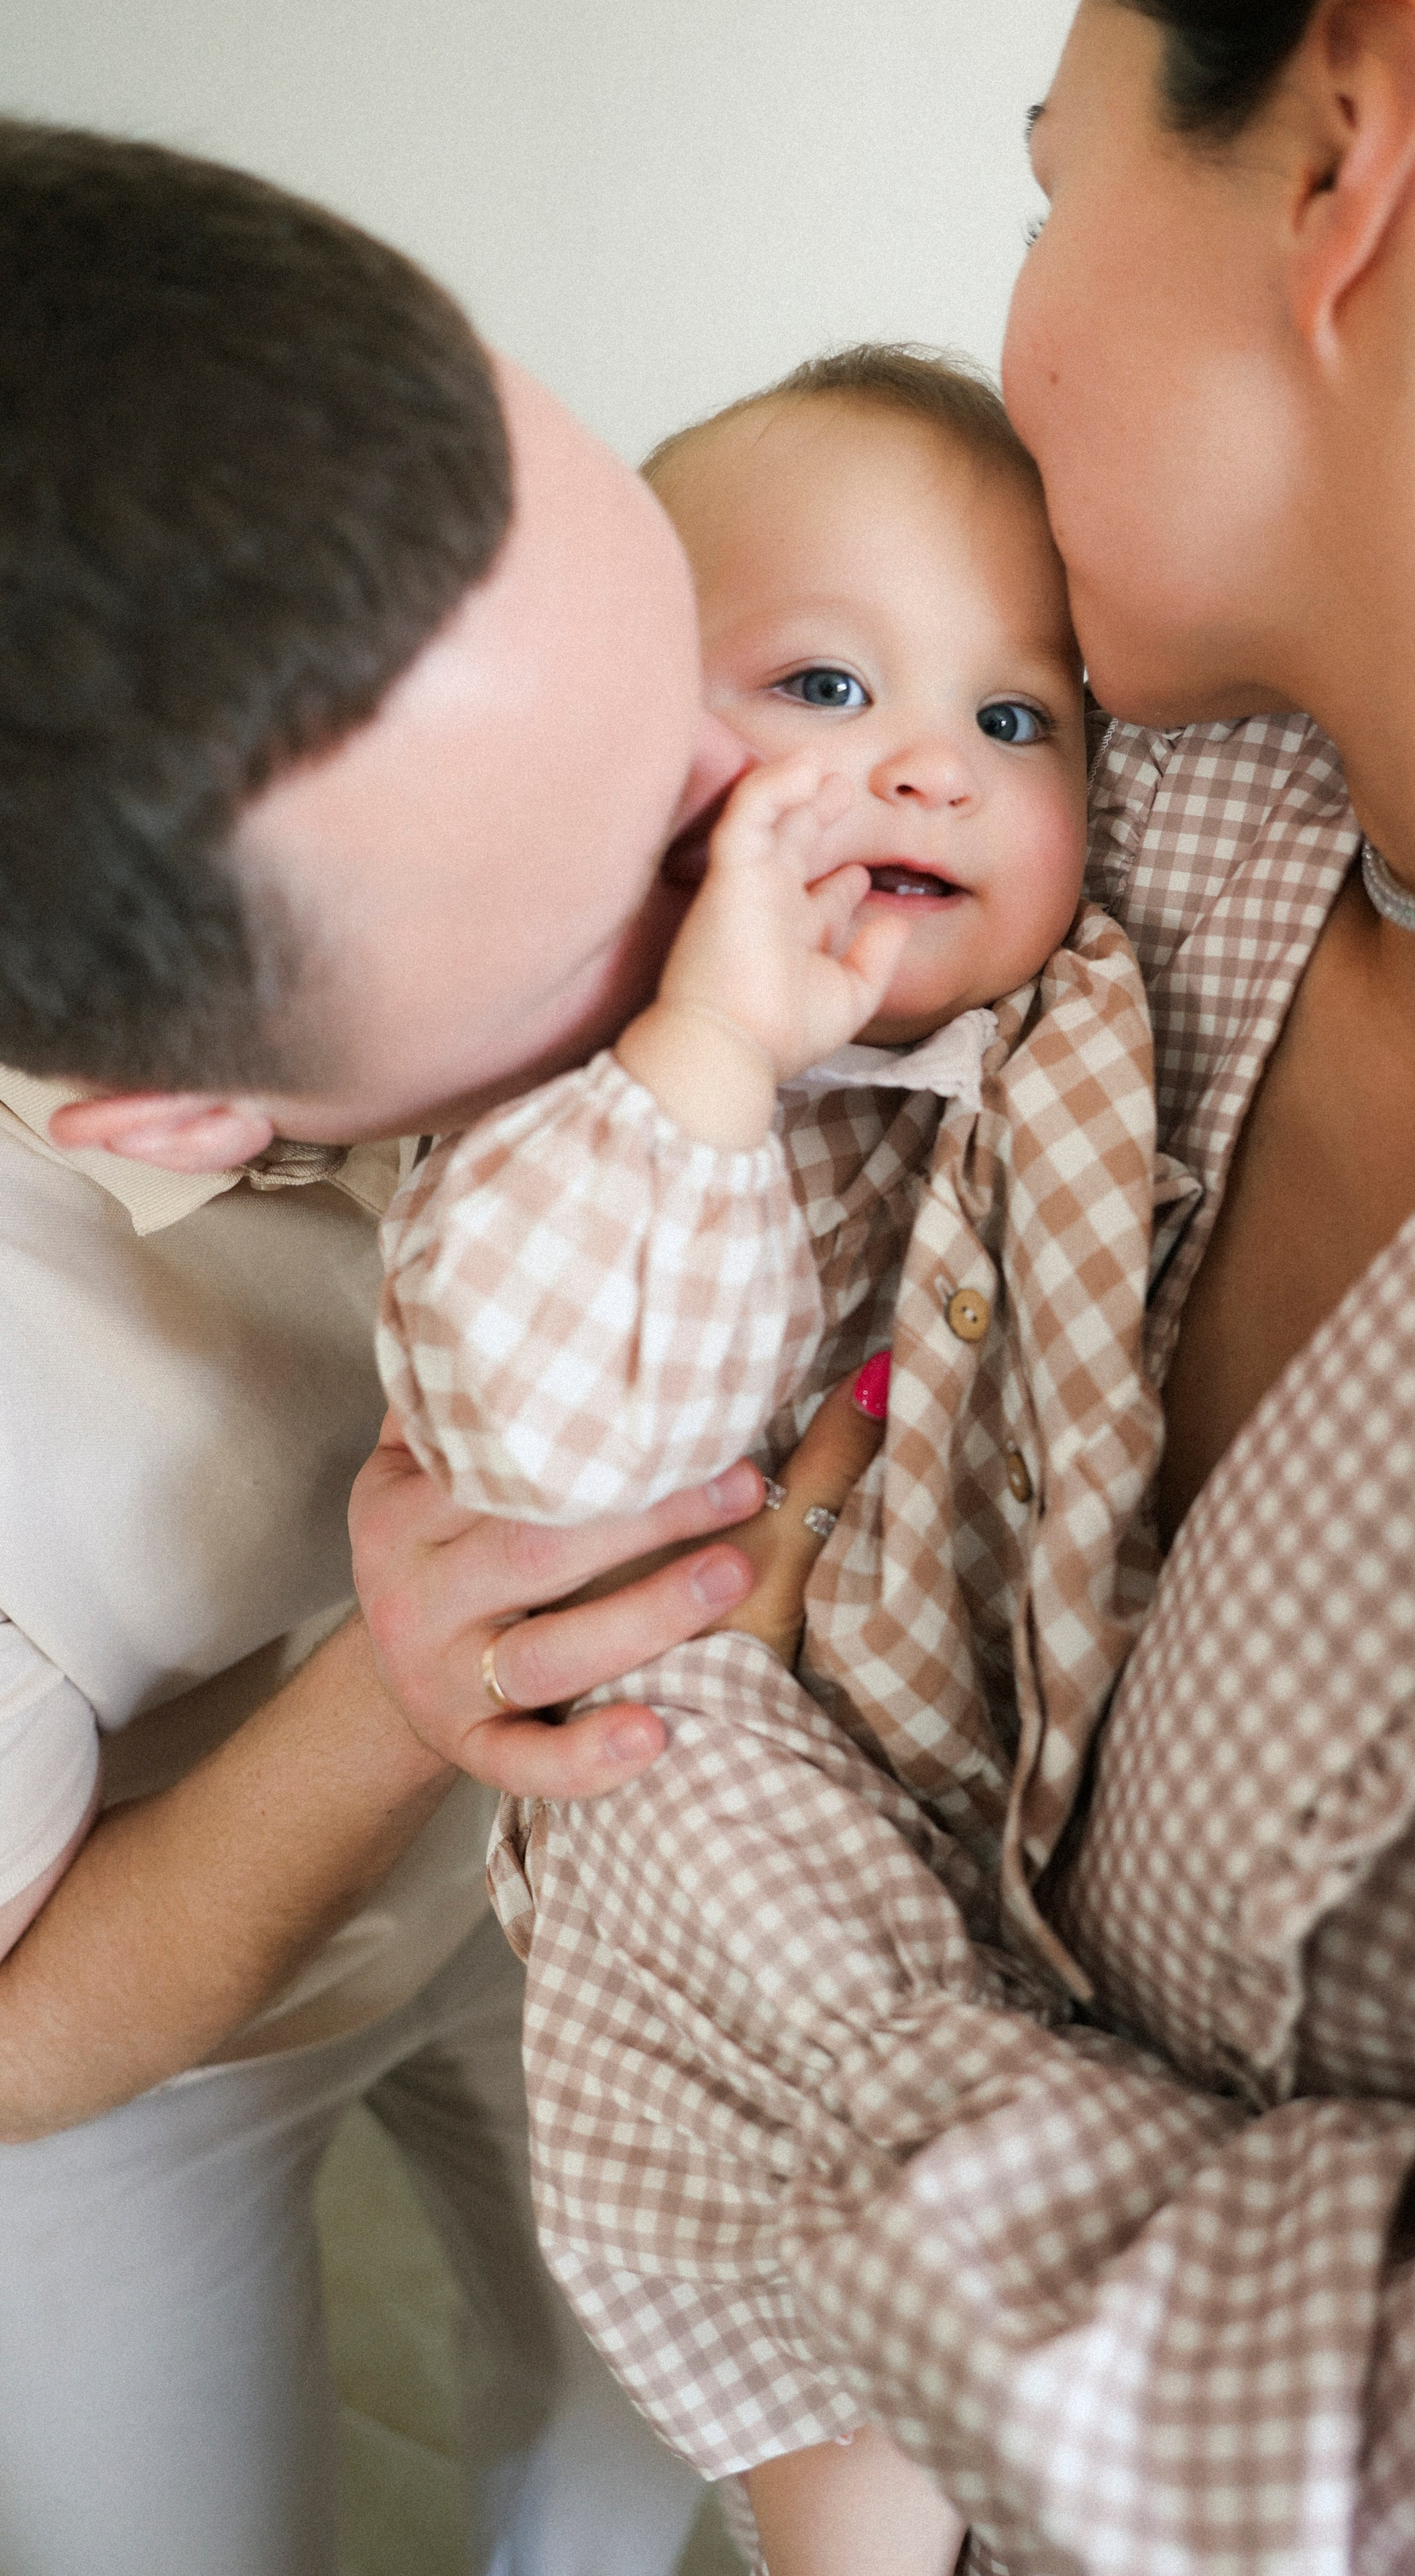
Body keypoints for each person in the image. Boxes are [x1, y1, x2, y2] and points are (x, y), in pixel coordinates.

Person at [329, 3, 1415, 2570]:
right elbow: (523, 1140)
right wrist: (481, 1602)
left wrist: (701, 1755)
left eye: (1054, 182)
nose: (1017, 320)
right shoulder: (1153, 816)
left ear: (1340, 145)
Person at [0, 115, 845, 2576]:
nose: (751, 825)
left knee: (612, 2459)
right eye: (619, 885)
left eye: (680, 659)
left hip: (553, 1904)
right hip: (135, 2055)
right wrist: (394, 1693)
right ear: (192, 1112)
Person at [374, 345, 1188, 2576]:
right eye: (827, 683)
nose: (929, 759)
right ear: (644, 754)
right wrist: (719, 1048)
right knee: (840, 2459)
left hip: (1002, 1836)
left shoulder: (1064, 1040)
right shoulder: (597, 1098)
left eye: (1023, 723)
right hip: (709, 1827)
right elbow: (540, 1433)